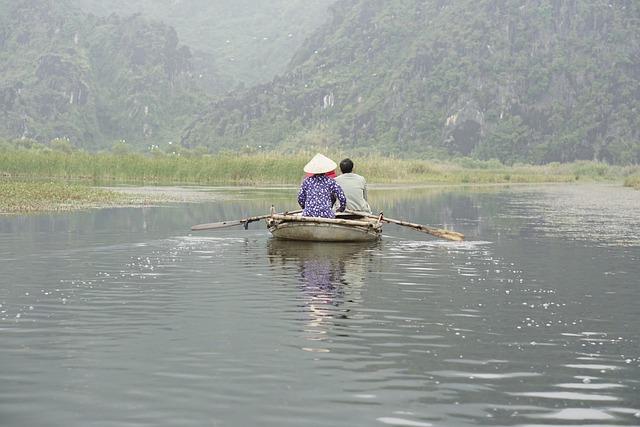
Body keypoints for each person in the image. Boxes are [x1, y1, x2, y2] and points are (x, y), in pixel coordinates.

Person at [298, 153, 346, 218]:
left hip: (308, 214)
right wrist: (341, 208)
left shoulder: (306, 181)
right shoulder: (331, 181)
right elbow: (342, 197)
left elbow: (300, 198)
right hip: (326, 214)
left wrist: (306, 208)